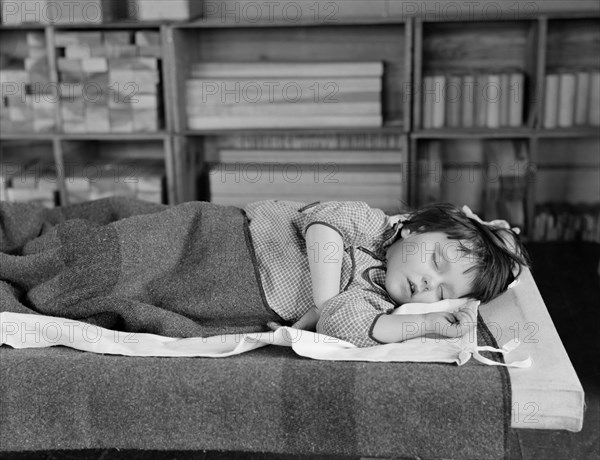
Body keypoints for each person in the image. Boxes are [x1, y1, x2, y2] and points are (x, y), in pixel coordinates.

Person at [245, 200, 529, 347]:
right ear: (414, 229)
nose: (430, 282)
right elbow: (324, 223)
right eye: (435, 261)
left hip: (236, 293)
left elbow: (344, 327)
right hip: (242, 235)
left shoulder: (378, 304)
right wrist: (324, 304)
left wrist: (428, 322)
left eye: (442, 293)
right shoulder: (372, 225)